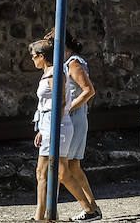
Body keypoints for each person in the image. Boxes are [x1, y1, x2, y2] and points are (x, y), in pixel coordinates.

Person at [45, 29, 102, 221]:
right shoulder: (66, 63)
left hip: (74, 119)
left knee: (65, 168)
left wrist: (68, 108)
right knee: (74, 166)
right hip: (74, 117)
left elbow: (88, 91)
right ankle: (92, 207)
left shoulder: (74, 63)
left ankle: (89, 209)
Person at [29, 39, 73, 222]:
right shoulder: (48, 72)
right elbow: (46, 104)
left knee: (43, 171)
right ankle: (49, 213)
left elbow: (60, 102)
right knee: (58, 172)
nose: (32, 60)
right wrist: (41, 129)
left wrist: (53, 128)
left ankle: (41, 216)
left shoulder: (54, 73)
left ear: (41, 56)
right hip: (49, 124)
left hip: (56, 125)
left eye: (33, 57)